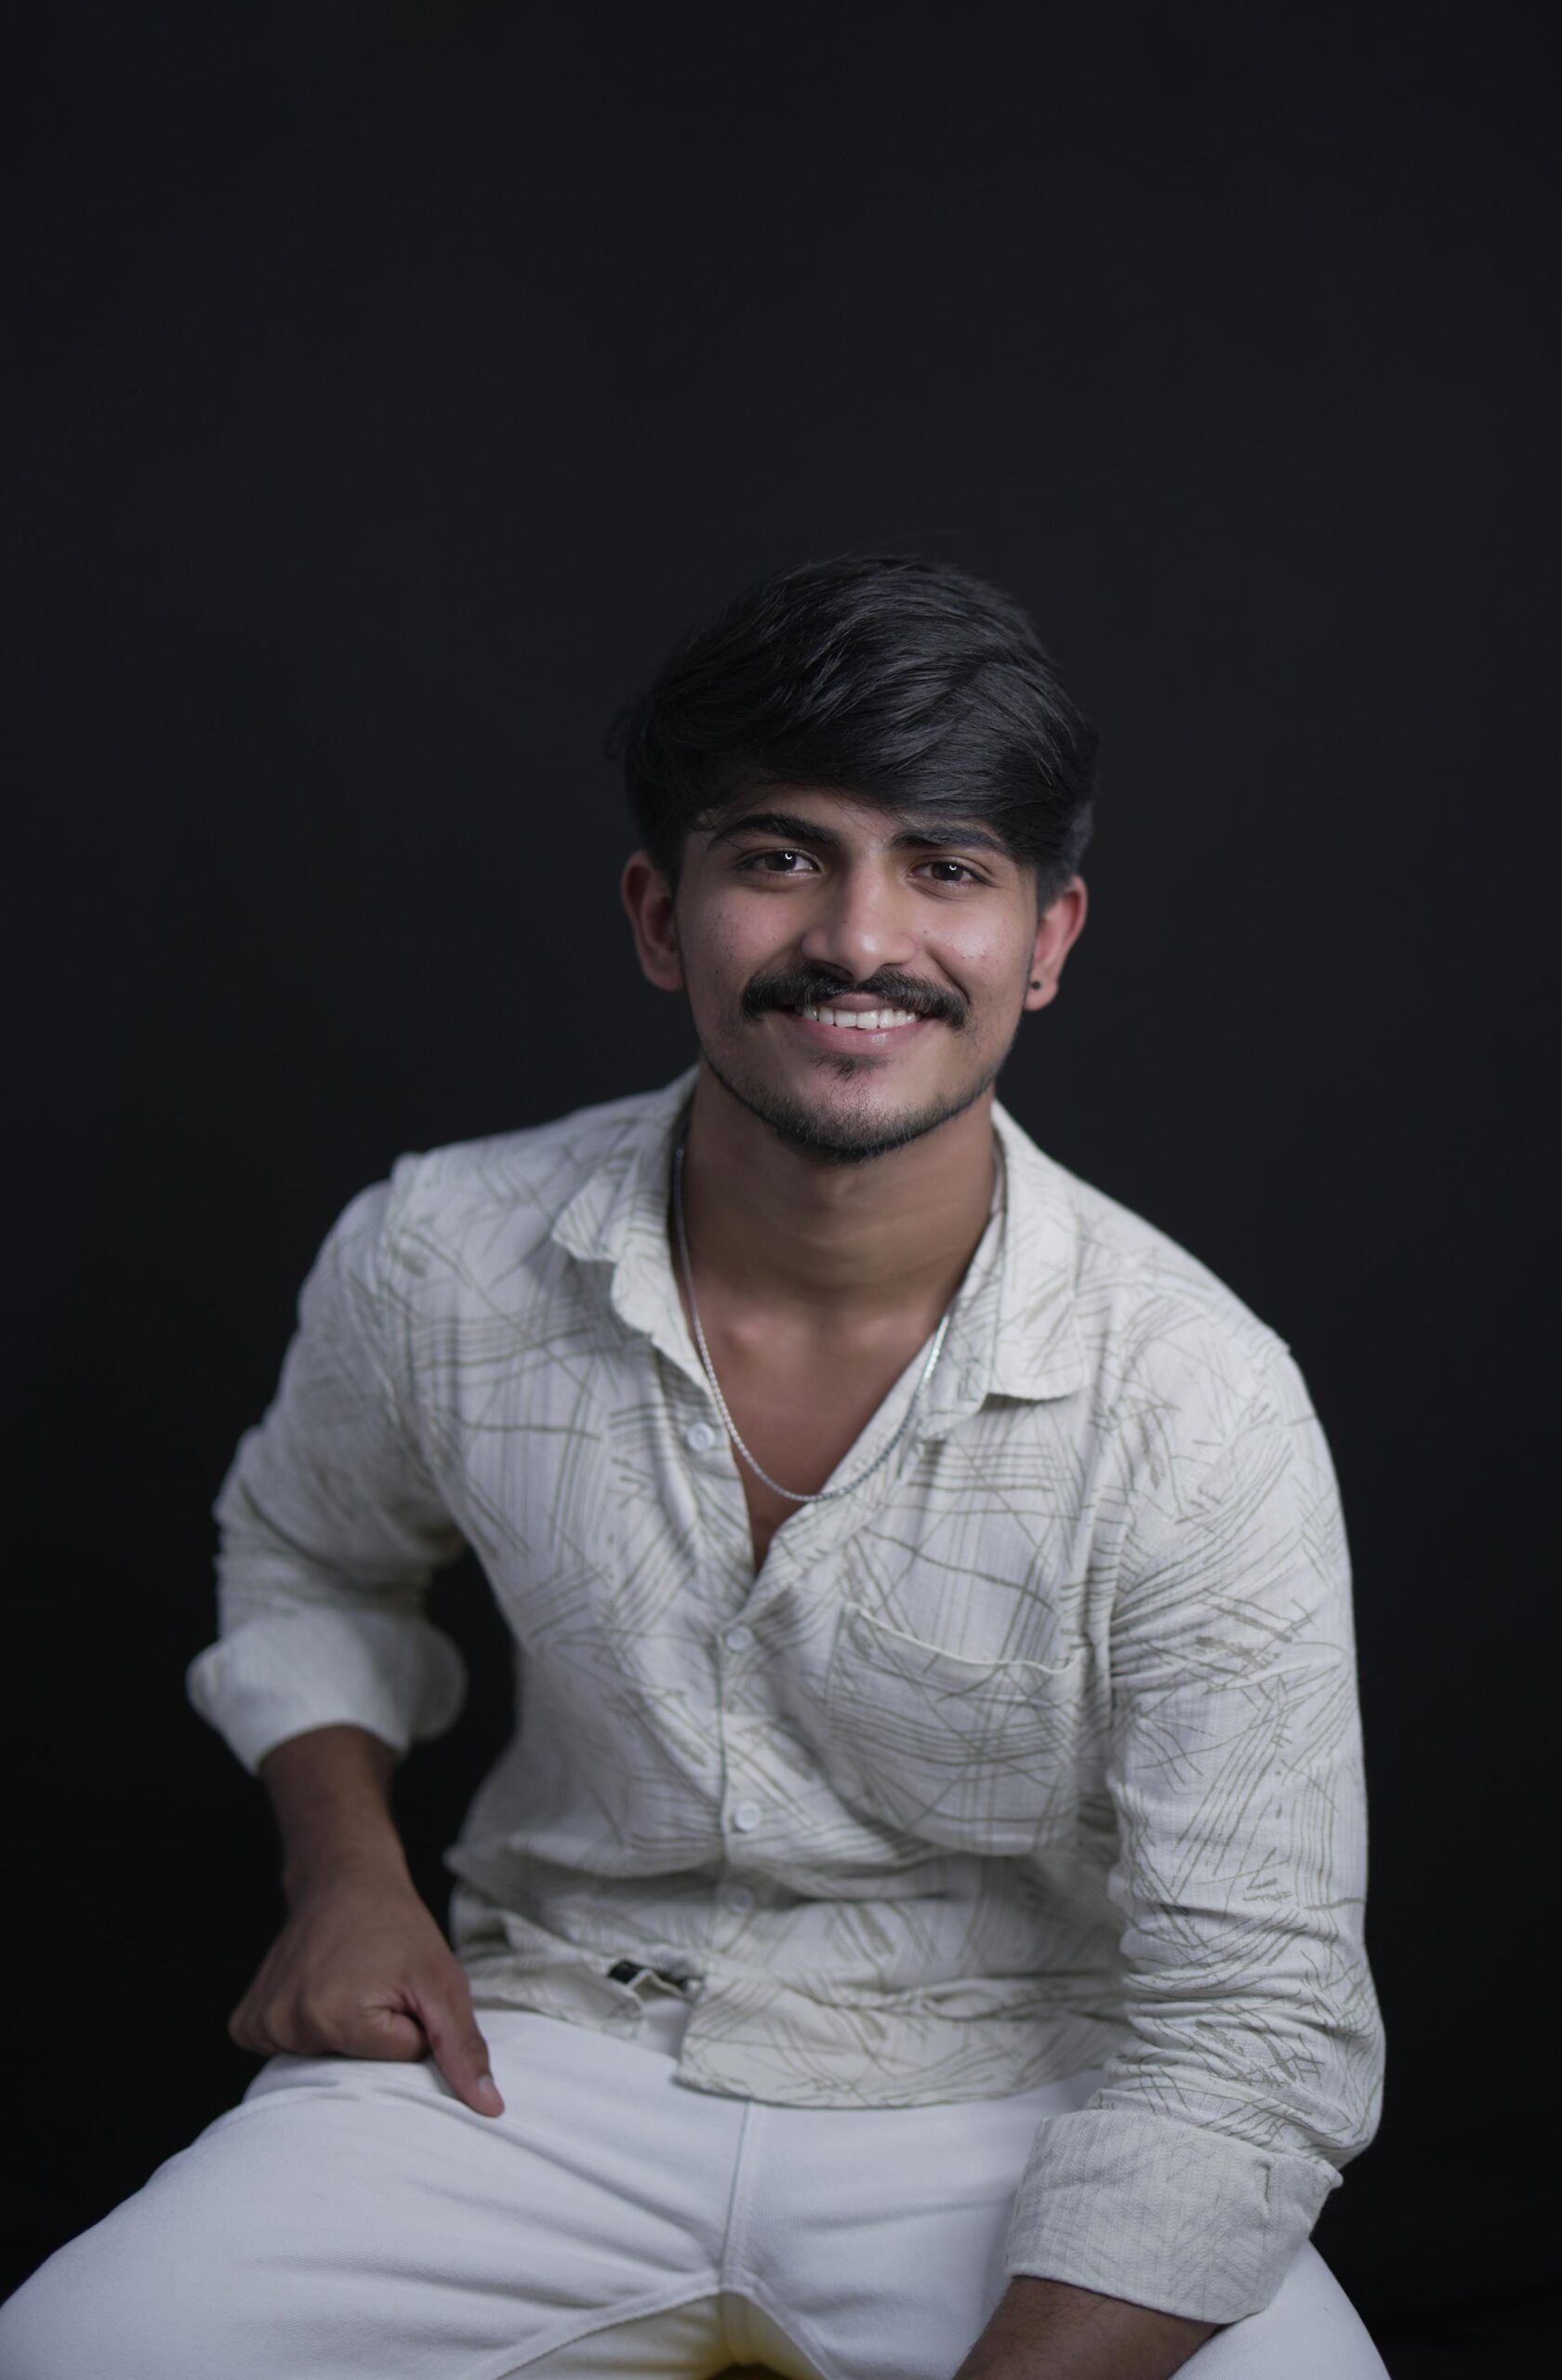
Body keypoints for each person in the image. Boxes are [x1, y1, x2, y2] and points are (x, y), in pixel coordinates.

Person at [0, 555, 1387, 2379]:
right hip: (551, 2039)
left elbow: (1254, 2010)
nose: (858, 936)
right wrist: (345, 1863)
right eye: (780, 853)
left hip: (1018, 2086)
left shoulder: (1198, 1399)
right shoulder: (441, 1251)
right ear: (664, 912)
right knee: (80, 2343)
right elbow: (306, 1558)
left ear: (1045, 939)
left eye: (947, 865)